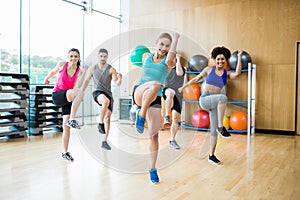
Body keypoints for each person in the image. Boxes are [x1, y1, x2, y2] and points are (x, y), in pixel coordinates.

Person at [179, 47, 243, 165]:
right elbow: (196, 79)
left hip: (215, 103)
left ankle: (211, 155)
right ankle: (221, 127)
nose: (220, 61)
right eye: (218, 59)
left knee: (213, 131)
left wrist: (239, 57)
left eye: (222, 59)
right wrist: (183, 87)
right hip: (205, 99)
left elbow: (237, 73)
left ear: (225, 61)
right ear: (214, 59)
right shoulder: (208, 70)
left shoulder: (226, 73)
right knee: (223, 98)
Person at [133, 32, 180, 183]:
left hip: (155, 98)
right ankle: (141, 114)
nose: (164, 48)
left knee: (153, 136)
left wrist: (176, 39)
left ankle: (152, 168)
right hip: (140, 92)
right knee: (155, 84)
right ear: (156, 43)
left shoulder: (169, 62)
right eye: (162, 44)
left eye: (167, 46)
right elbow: (143, 75)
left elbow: (172, 55)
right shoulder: (146, 56)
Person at [44, 48, 87, 162]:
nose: (73, 58)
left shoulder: (80, 71)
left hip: (68, 97)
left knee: (66, 127)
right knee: (79, 93)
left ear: (79, 58)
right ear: (68, 57)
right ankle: (72, 119)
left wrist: (84, 73)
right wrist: (47, 78)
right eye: (71, 56)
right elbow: (53, 72)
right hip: (58, 94)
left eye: (76, 56)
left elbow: (78, 86)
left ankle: (65, 152)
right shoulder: (62, 65)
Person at [81, 48, 122, 150]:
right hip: (97, 92)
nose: (103, 58)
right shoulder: (93, 68)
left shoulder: (111, 69)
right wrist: (81, 91)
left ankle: (104, 141)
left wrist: (120, 79)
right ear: (98, 57)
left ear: (107, 57)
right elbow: (86, 80)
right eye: (101, 56)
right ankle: (100, 123)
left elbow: (117, 83)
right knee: (105, 101)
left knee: (108, 118)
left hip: (108, 94)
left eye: (105, 56)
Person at [162, 53, 185, 149]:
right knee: (170, 93)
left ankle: (172, 140)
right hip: (168, 90)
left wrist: (178, 60)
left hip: (178, 95)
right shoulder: (164, 68)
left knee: (175, 118)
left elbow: (180, 73)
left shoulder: (182, 68)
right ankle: (167, 116)